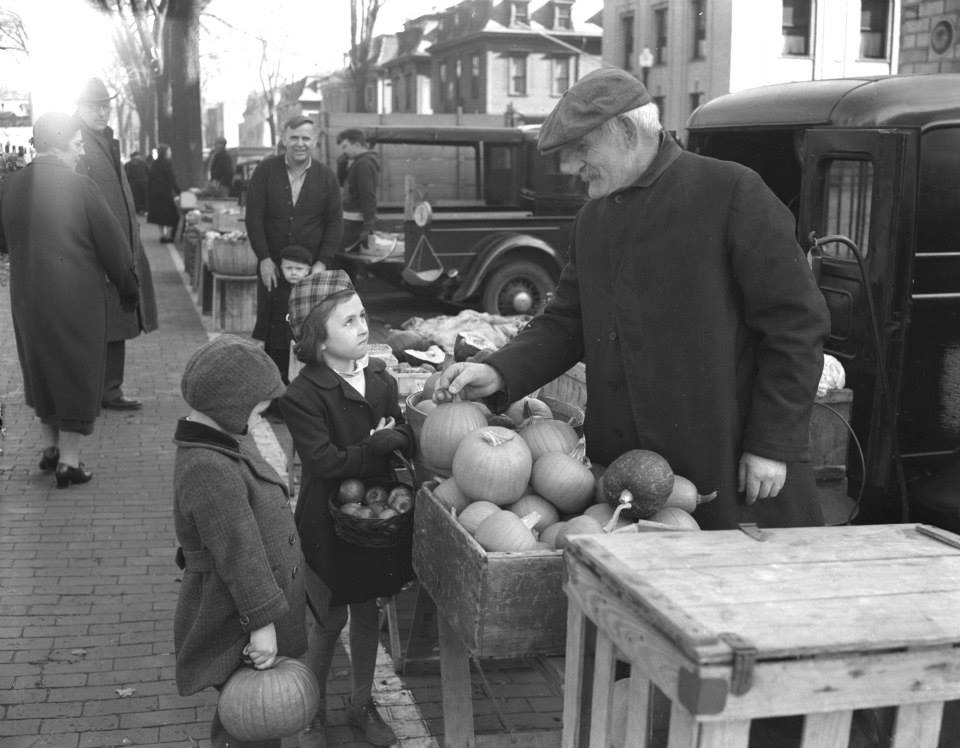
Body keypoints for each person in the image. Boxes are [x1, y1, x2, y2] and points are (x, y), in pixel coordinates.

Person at [434, 67, 831, 531]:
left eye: (581, 149)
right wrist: (499, 370)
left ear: (624, 131)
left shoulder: (733, 192)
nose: (570, 166)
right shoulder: (592, 219)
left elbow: (796, 325)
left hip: (723, 458)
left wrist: (772, 443)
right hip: (621, 471)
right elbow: (566, 321)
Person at [278, 271, 414, 748]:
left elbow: (400, 434)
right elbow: (323, 462)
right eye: (348, 320)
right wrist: (376, 444)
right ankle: (310, 711)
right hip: (325, 523)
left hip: (373, 521)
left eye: (363, 316)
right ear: (318, 338)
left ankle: (361, 704)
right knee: (327, 618)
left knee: (366, 613)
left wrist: (390, 439)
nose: (362, 327)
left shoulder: (381, 379)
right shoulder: (303, 395)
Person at [172, 334, 306, 748]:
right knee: (248, 719)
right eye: (258, 408)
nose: (261, 416)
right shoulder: (207, 467)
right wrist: (262, 624)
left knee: (252, 718)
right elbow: (238, 552)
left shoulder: (225, 439)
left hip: (247, 613)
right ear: (231, 405)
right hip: (237, 620)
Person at [1, 112, 140, 488]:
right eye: (77, 143)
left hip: (27, 299)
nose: (81, 151)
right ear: (60, 144)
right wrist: (129, 288)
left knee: (41, 367)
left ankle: (49, 449)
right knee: (77, 372)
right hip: (77, 300)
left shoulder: (10, 186)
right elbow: (115, 248)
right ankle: (70, 462)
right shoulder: (81, 187)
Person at [75, 77, 158, 411]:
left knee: (118, 319)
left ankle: (110, 388)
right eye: (95, 105)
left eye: (106, 105)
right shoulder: (77, 142)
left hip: (120, 247)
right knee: (99, 322)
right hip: (99, 250)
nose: (102, 111)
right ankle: (99, 390)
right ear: (79, 107)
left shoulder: (105, 140)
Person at [245, 114, 343, 383]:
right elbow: (254, 217)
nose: (300, 143)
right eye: (294, 138)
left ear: (315, 141)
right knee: (275, 331)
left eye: (305, 138)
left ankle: (306, 394)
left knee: (312, 331)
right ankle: (275, 395)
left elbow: (334, 222)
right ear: (284, 139)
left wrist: (322, 262)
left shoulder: (326, 177)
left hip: (312, 271)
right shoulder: (265, 172)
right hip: (274, 269)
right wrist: (264, 258)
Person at [258, 244, 314, 386]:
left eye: (299, 269)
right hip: (276, 342)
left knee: (300, 373)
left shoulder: (310, 292)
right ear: (281, 268)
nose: (293, 272)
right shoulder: (275, 289)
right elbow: (265, 314)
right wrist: (260, 339)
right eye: (288, 268)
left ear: (308, 270)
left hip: (301, 342)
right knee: (276, 372)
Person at [336, 128, 379, 252]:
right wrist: (341, 166)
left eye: (345, 147)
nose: (343, 151)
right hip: (350, 219)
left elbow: (368, 195)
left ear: (357, 145)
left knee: (339, 253)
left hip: (354, 222)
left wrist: (367, 226)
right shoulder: (357, 162)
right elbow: (345, 185)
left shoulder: (363, 164)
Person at [147, 143, 181, 243]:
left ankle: (162, 235)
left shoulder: (154, 164)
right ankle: (169, 235)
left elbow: (150, 179)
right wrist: (178, 191)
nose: (170, 152)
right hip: (165, 192)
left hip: (155, 193)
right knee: (172, 214)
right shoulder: (167, 163)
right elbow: (172, 178)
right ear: (165, 153)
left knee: (160, 214)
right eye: (169, 151)